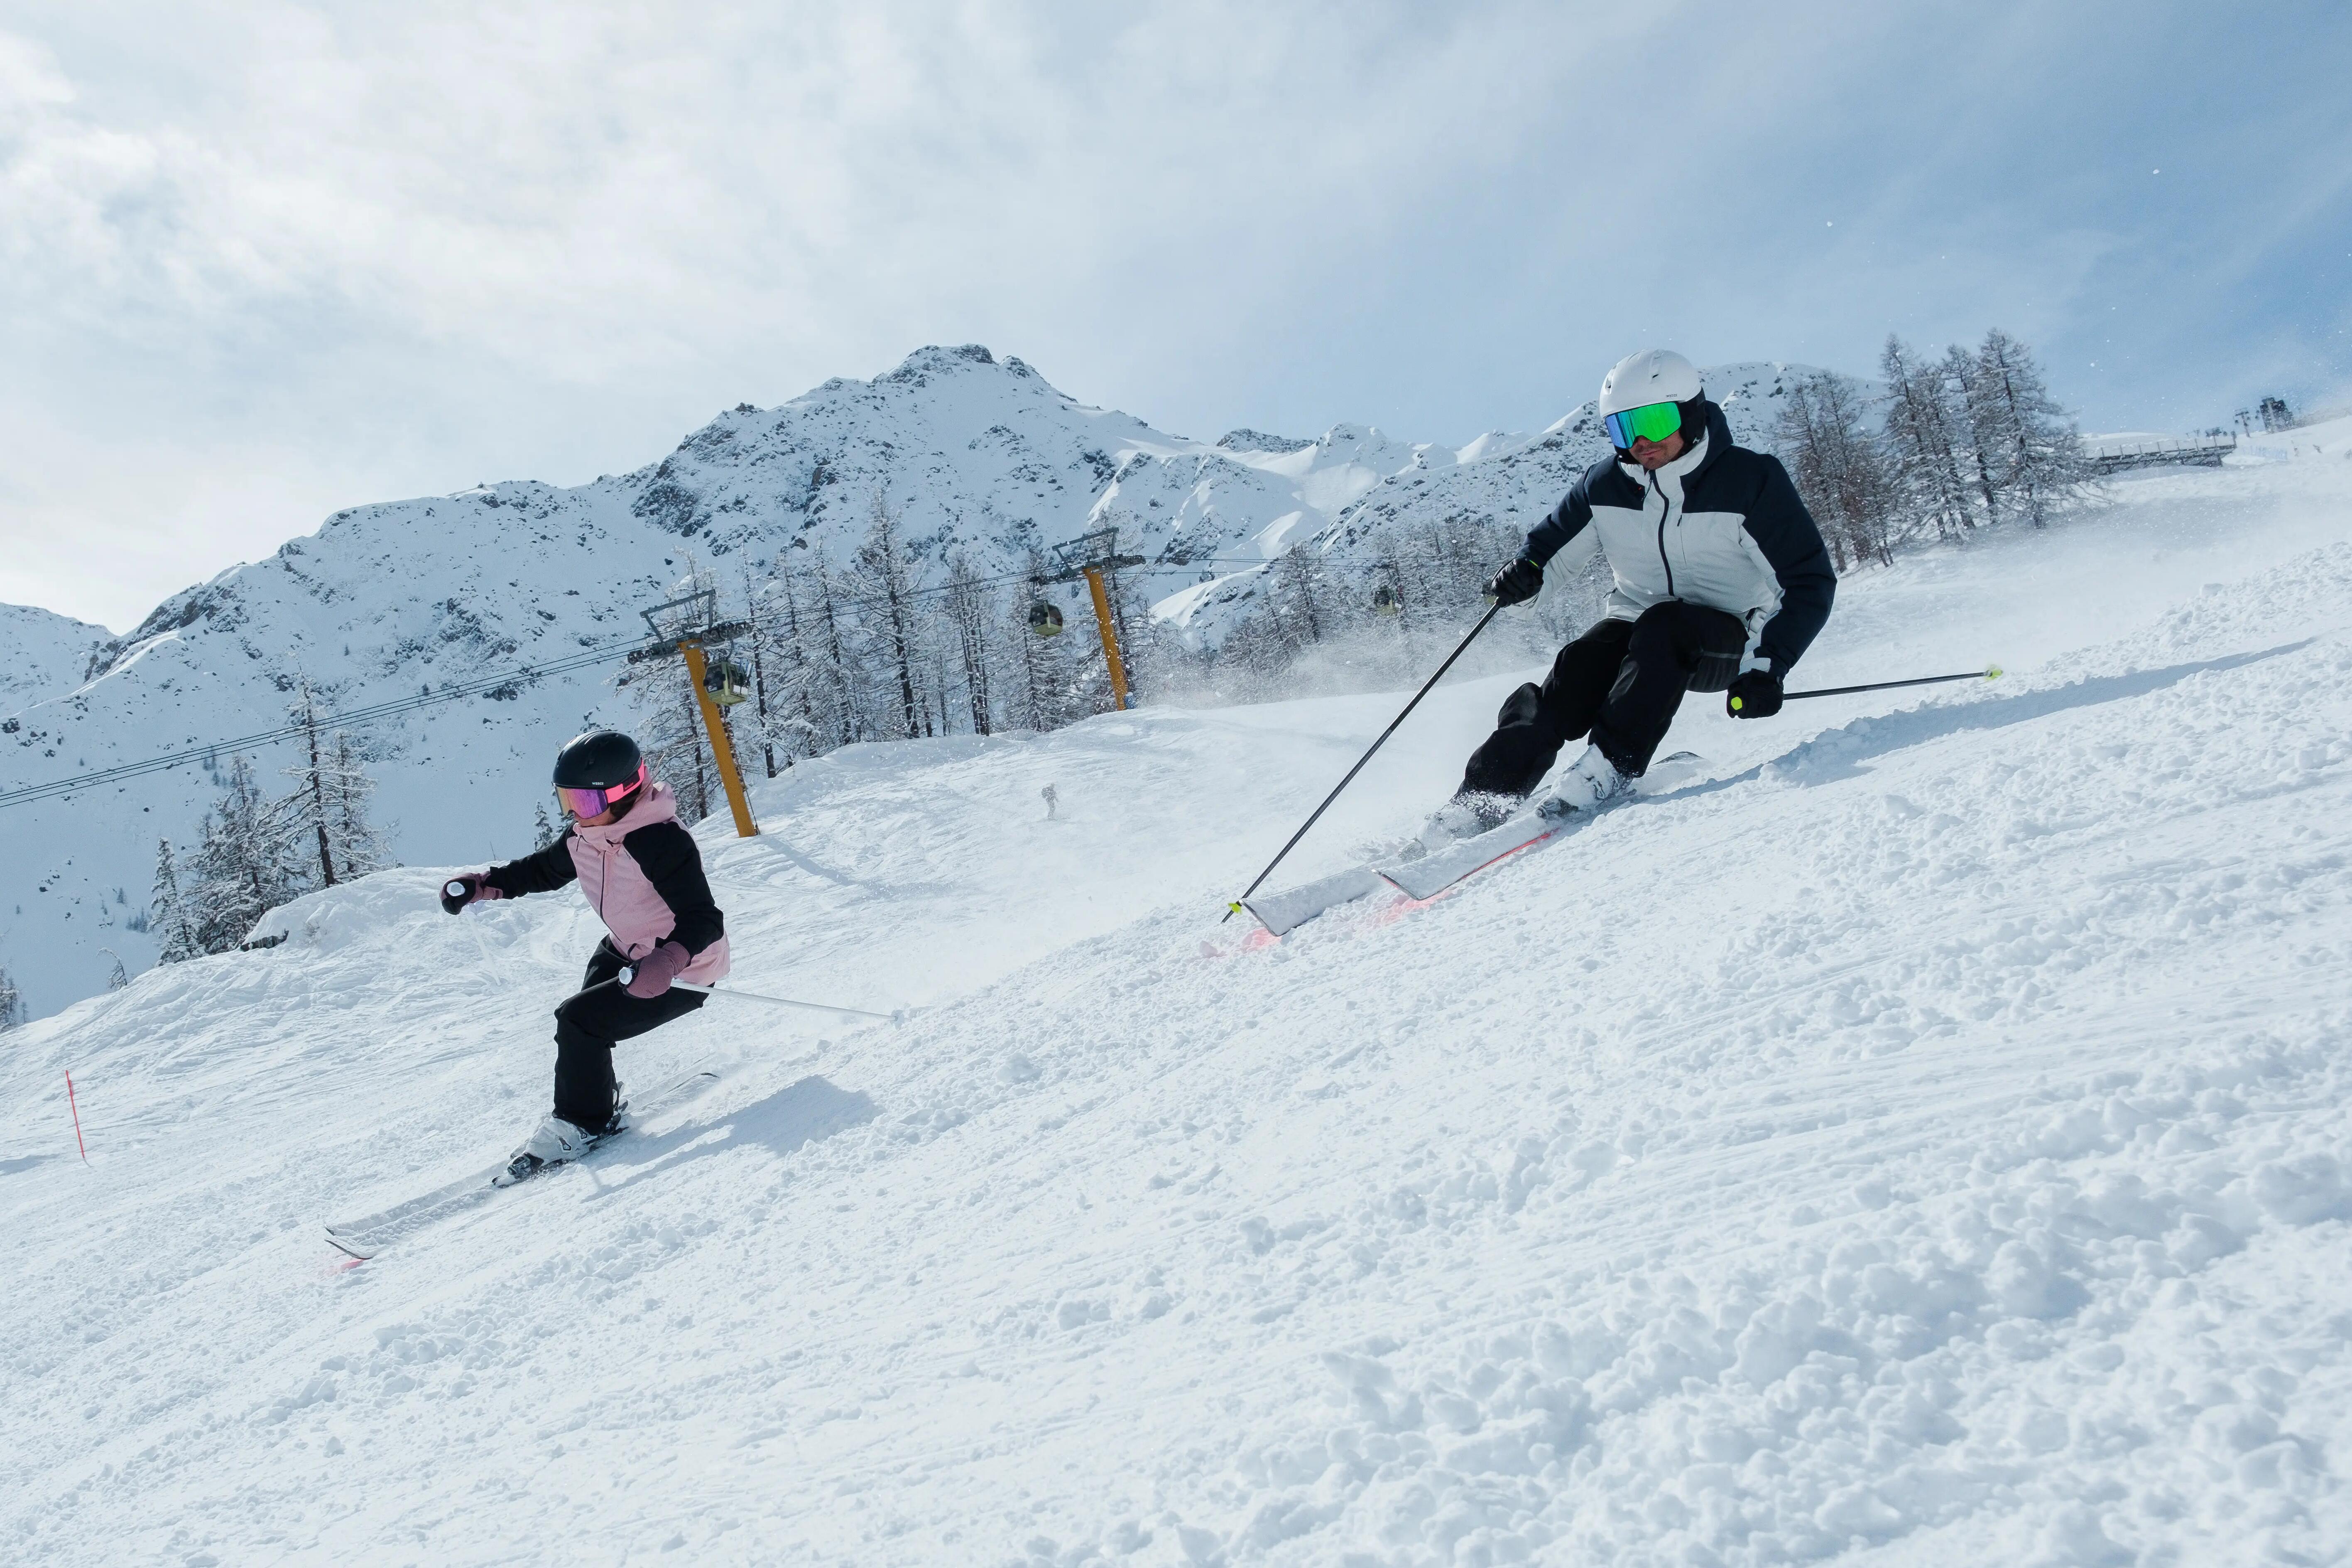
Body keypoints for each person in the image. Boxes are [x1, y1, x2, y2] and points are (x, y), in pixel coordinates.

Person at [1421, 348, 1836, 844]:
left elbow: (1809, 580)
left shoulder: (1750, 481)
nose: (1640, 441)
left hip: (1728, 637)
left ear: (1691, 412)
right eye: (1623, 428)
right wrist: (1525, 576)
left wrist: (1767, 666)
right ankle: (1484, 795)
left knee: (1667, 626)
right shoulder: (1605, 485)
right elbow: (1546, 552)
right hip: (1637, 628)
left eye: (1656, 421)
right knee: (1580, 664)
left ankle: (1608, 767)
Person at [441, 729, 730, 1179]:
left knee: (578, 1021)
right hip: (627, 950)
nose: (575, 813)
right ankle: (596, 1098)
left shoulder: (659, 840)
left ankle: (581, 1121)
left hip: (683, 968)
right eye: (567, 800)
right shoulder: (587, 836)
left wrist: (670, 960)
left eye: (586, 802)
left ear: (623, 794)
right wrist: (486, 883)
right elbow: (542, 869)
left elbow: (705, 919)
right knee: (586, 1020)